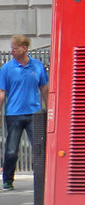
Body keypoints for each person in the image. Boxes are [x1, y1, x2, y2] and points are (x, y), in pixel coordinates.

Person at [1, 34, 49, 191]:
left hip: (34, 113)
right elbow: (2, 92)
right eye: (12, 48)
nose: (12, 51)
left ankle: (42, 180)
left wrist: (49, 109)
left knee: (39, 148)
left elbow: (44, 88)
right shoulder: (6, 69)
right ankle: (8, 180)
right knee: (12, 149)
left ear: (24, 48)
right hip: (14, 114)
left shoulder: (37, 66)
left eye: (15, 48)